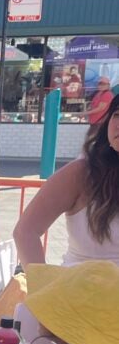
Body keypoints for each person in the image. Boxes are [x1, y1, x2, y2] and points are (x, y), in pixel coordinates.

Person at [13, 93, 119, 267]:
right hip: (82, 291)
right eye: (117, 115)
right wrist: (42, 286)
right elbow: (25, 232)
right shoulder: (82, 173)